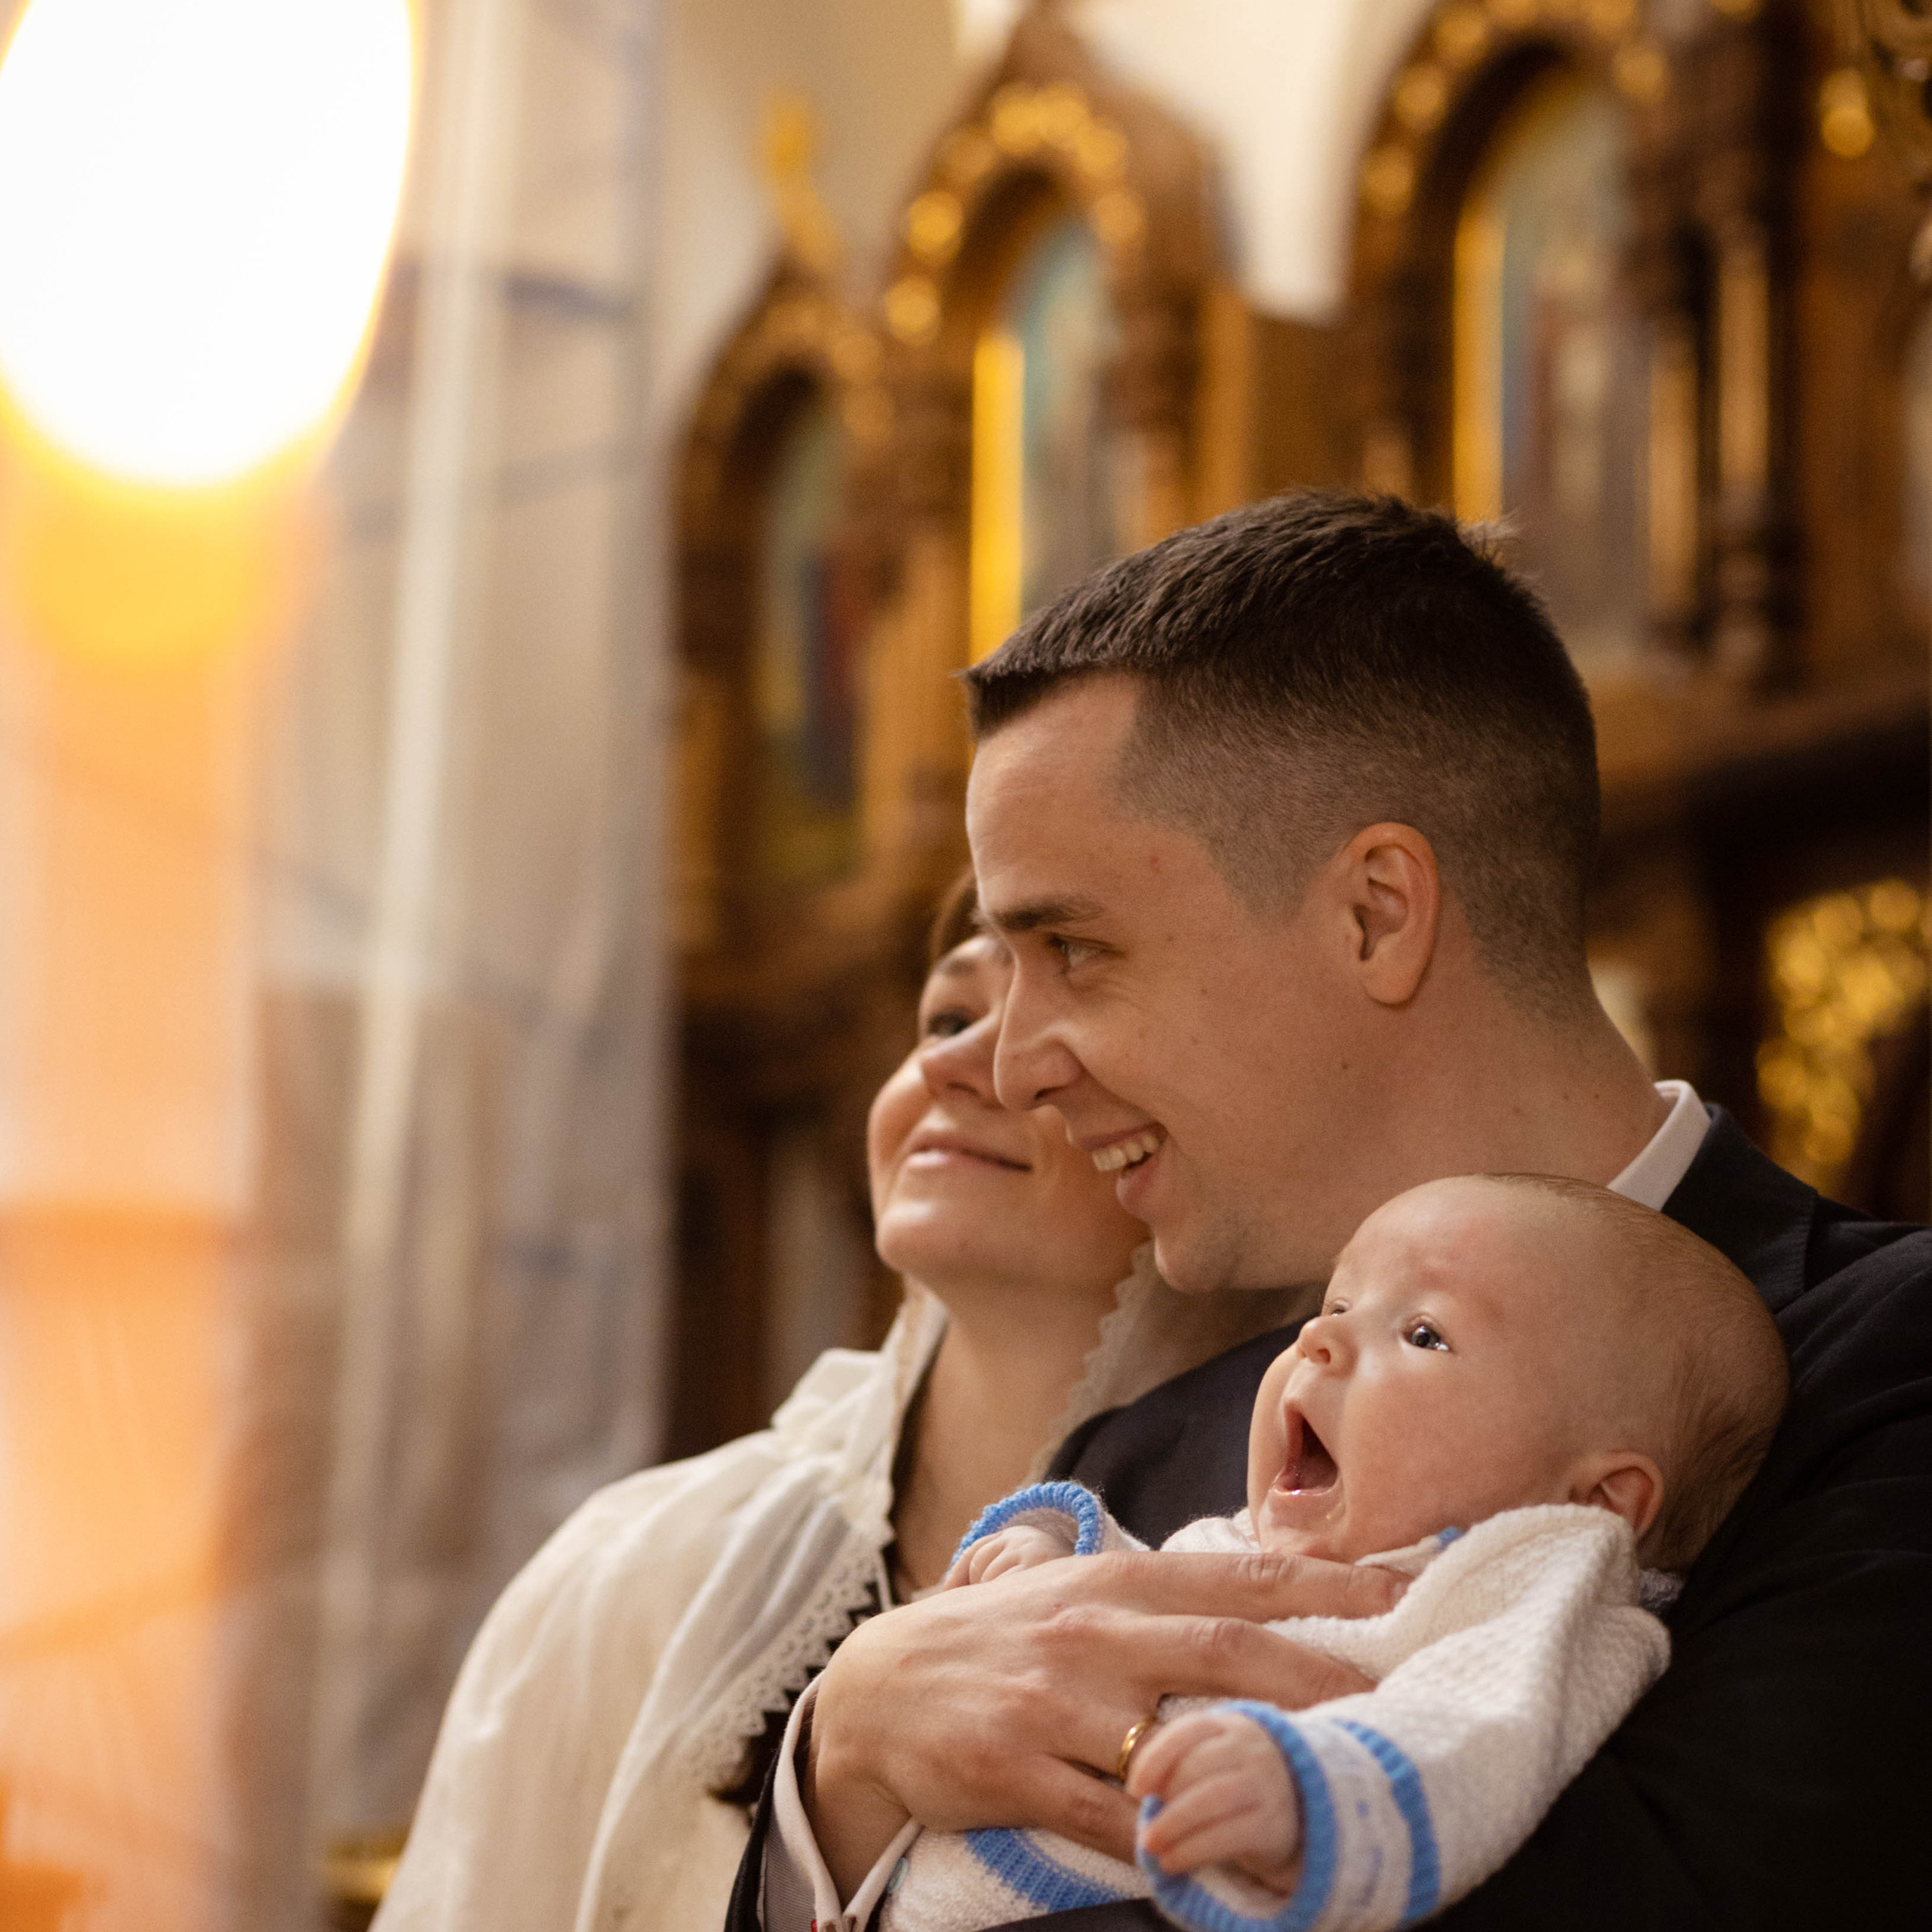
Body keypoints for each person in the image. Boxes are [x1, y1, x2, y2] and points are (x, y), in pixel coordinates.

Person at [735, 492, 1932, 1930]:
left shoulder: (1884, 1374)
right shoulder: (1151, 1438)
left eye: (1076, 949)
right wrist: (844, 1761)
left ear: (1376, 912)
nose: (1007, 1064)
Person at [374, 877, 1297, 1932]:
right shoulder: (634, 1577)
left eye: (1058, 1019)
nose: (957, 1061)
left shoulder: (1292, 1575)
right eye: (946, 1016)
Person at [851, 1174, 1786, 1932]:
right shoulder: (1263, 1532)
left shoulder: (1533, 1585)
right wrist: (1051, 1552)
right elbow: (1151, 1593)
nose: (1318, 1338)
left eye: (1422, 1332)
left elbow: (1480, 1741)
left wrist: (1307, 1795)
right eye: (1338, 1303)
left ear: (1594, 1501)